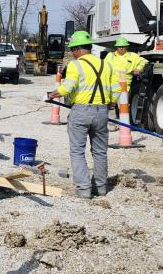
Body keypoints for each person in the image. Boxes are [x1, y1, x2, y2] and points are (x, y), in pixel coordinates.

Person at [47, 31, 120, 199]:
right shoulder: (106, 65)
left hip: (81, 111)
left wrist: (51, 95)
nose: (73, 53)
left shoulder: (76, 65)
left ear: (78, 49)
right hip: (102, 112)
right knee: (100, 152)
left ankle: (84, 189)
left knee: (77, 151)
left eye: (73, 50)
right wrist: (111, 102)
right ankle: (100, 188)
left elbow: (67, 88)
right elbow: (117, 89)